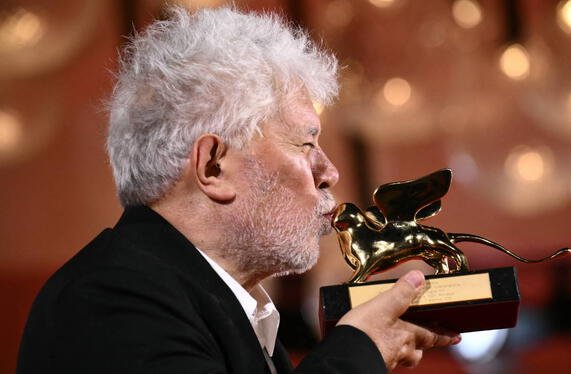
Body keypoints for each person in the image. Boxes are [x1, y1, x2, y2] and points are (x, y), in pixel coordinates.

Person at [17, 7, 460, 374]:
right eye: (305, 144)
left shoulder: (205, 301)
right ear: (212, 166)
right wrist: (359, 350)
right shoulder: (110, 300)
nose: (330, 173)